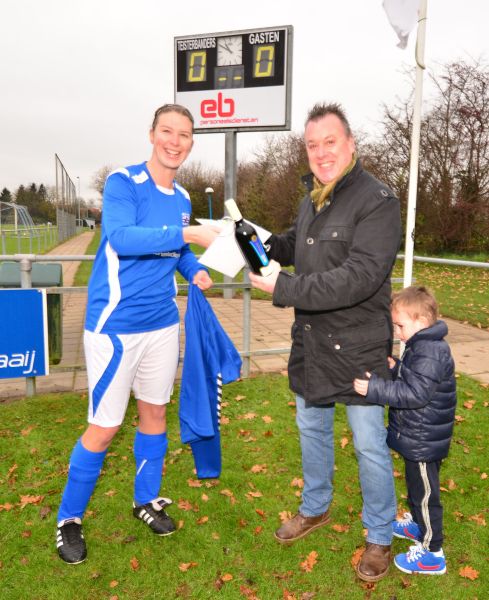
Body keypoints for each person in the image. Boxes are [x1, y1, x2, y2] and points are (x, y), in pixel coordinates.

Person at [55, 103, 219, 564]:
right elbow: (123, 239)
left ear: (190, 143)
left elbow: (177, 253)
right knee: (104, 428)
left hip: (163, 325)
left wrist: (195, 271)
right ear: (152, 134)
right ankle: (68, 519)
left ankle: (145, 500)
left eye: (184, 134)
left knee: (154, 416)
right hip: (115, 328)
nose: (175, 140)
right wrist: (189, 238)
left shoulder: (184, 198)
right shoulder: (123, 183)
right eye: (167, 131)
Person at [249, 102, 401, 582]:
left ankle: (379, 535)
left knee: (369, 445)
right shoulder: (313, 196)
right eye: (312, 145)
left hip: (358, 349)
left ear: (351, 145)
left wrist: (284, 288)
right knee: (311, 430)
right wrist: (256, 241)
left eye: (329, 142)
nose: (321, 152)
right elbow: (297, 242)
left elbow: (358, 277)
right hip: (312, 344)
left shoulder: (378, 200)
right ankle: (315, 507)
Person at [353, 286, 457, 575]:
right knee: (415, 488)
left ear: (421, 321)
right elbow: (415, 378)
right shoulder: (422, 346)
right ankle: (416, 525)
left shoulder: (431, 351)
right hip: (419, 436)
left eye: (400, 325)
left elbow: (415, 394)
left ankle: (432, 553)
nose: (397, 331)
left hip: (424, 440)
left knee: (425, 495)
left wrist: (375, 388)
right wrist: (397, 366)